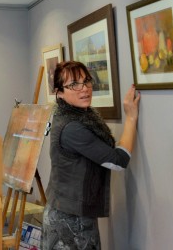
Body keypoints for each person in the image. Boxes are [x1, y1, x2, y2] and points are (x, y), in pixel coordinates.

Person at [41, 61, 140, 250]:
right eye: (74, 85)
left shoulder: (69, 116)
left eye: (86, 81)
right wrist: (131, 118)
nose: (84, 89)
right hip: (70, 223)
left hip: (64, 213)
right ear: (59, 92)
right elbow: (119, 161)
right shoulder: (72, 127)